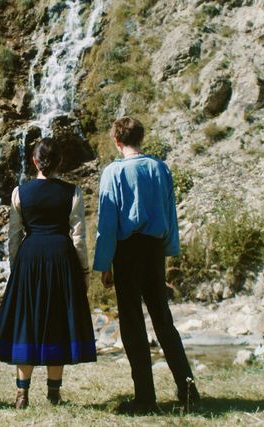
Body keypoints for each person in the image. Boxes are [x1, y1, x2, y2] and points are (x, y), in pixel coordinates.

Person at [93, 117, 200, 414]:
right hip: (153, 250)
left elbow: (107, 224)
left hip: (126, 251)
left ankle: (144, 397)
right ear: (142, 138)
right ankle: (188, 389)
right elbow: (169, 212)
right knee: (163, 319)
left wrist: (104, 263)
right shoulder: (159, 168)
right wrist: (168, 249)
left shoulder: (113, 172)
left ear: (117, 141)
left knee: (131, 322)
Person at [0, 138, 97, 409]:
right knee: (57, 320)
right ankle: (54, 394)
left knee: (26, 322)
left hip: (30, 256)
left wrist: (17, 267)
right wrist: (83, 270)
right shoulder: (72, 192)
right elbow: (78, 237)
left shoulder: (19, 192)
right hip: (61, 256)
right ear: (60, 161)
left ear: (34, 161)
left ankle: (22, 393)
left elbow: (14, 235)